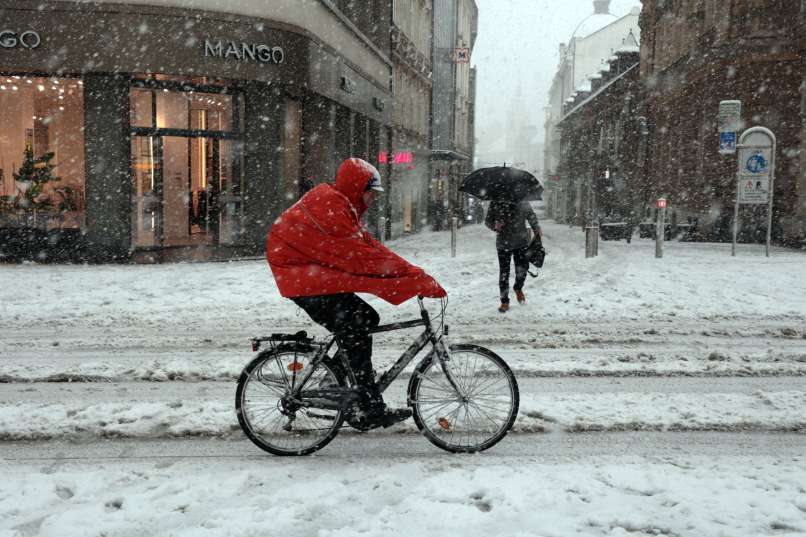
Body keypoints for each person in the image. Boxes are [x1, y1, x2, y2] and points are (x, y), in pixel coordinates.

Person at [266, 157, 446, 429]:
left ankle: (339, 382)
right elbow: (361, 258)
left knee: (364, 318)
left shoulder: (341, 205)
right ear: (357, 187)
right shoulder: (332, 206)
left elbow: (372, 248)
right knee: (355, 323)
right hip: (302, 276)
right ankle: (367, 405)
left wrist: (413, 273)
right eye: (370, 192)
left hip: (308, 275)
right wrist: (413, 279)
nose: (372, 199)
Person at [485, 199, 541, 313]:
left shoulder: (521, 200)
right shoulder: (496, 201)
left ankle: (518, 287)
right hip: (503, 243)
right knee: (504, 273)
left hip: (521, 241)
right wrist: (495, 226)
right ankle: (504, 301)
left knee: (523, 269)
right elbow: (488, 221)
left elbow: (531, 215)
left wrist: (537, 229)